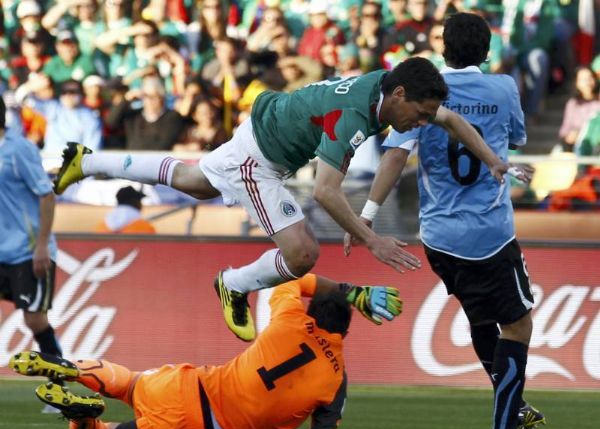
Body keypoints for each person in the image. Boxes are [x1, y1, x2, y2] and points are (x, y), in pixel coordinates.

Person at [53, 56, 510, 344]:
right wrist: (372, 239)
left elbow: (450, 120)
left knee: (195, 181)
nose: (424, 122)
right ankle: (233, 283)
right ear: (400, 94)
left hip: (265, 122)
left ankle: (87, 162)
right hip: (259, 159)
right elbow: (326, 191)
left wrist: (492, 159)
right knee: (302, 252)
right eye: (420, 114)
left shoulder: (385, 87)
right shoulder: (352, 116)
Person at [345, 13, 555, 429]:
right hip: (489, 233)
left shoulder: (424, 91)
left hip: (438, 237)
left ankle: (512, 405)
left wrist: (366, 215)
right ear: (487, 51)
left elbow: (395, 159)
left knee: (483, 320)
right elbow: (514, 139)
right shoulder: (503, 88)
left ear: (444, 50)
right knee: (517, 324)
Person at [9, 273, 402, 429]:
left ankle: (74, 369)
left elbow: (292, 278)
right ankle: (83, 419)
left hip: (188, 387)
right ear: (346, 332)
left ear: (312, 313)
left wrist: (354, 292)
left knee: (128, 383)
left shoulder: (289, 319)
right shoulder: (337, 382)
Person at [0, 96, 62, 413]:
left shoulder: (18, 149)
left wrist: (42, 244)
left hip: (27, 250)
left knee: (34, 319)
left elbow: (46, 194)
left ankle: (60, 387)